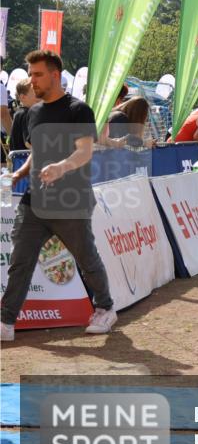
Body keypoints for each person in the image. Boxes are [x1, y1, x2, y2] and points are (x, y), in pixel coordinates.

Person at [2, 50, 117, 342]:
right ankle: (6, 322)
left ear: (55, 75)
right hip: (34, 201)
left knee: (86, 258)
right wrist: (23, 172)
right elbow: (38, 151)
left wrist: (61, 167)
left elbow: (84, 151)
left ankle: (105, 308)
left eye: (37, 74)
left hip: (71, 200)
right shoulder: (33, 112)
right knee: (20, 261)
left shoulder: (78, 110)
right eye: (30, 74)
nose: (32, 80)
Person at [8, 81, 38, 152]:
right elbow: (28, 143)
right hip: (23, 158)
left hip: (17, 159)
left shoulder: (20, 112)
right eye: (35, 91)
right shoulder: (26, 114)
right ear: (23, 97)